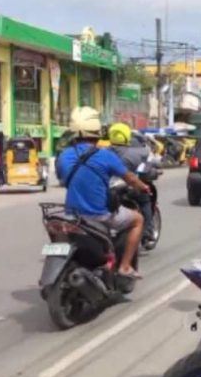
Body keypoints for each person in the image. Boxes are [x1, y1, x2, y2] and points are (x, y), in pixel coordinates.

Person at [56, 107, 150, 279]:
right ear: (98, 133)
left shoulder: (64, 156)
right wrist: (143, 187)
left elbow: (62, 178)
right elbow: (130, 178)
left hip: (71, 215)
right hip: (98, 216)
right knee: (138, 219)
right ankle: (125, 267)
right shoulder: (105, 155)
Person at [108, 122, 155, 241]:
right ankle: (148, 231)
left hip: (107, 189)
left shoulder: (103, 152)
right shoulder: (137, 152)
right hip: (127, 188)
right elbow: (151, 166)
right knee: (145, 200)